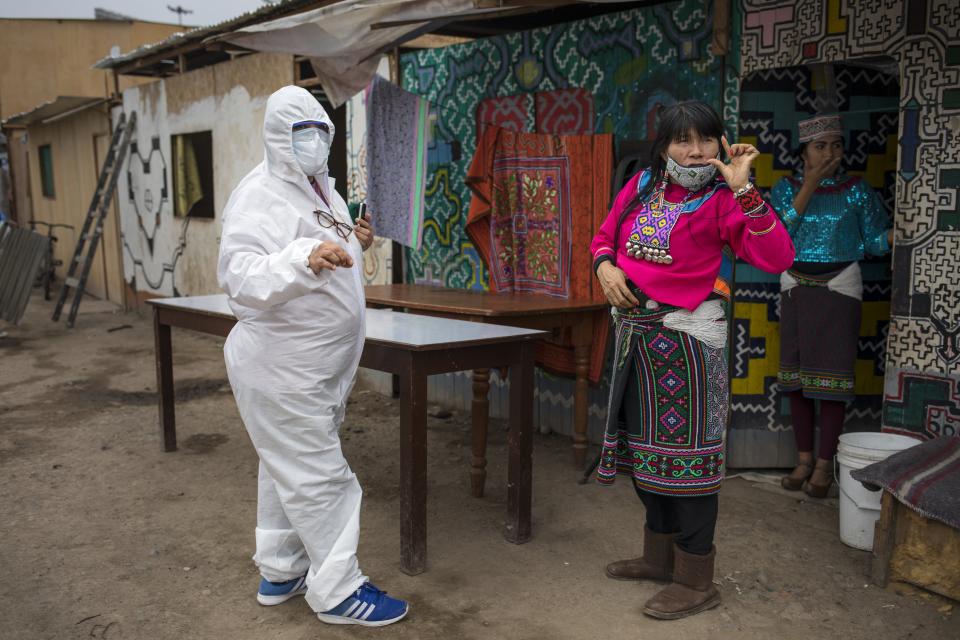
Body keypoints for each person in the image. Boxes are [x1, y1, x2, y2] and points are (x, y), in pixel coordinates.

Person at [590, 101, 795, 620]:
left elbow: (778, 258)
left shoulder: (726, 201)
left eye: (706, 140)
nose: (697, 151)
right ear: (664, 146)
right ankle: (659, 558)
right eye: (684, 140)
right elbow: (603, 237)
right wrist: (605, 268)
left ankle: (696, 579)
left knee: (692, 466)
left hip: (688, 345)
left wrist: (745, 188)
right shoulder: (640, 187)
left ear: (721, 146)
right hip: (635, 340)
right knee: (644, 453)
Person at [217, 85, 408, 627]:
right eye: (303, 133)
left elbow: (329, 251)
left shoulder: (321, 189)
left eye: (322, 131)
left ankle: (281, 570)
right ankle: (339, 591)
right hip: (283, 368)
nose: (315, 142)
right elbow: (241, 276)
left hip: (314, 368)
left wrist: (355, 239)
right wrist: (304, 258)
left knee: (285, 470)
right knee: (322, 479)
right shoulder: (257, 196)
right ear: (279, 136)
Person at [770, 114, 892, 498]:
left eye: (835, 145)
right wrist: (810, 183)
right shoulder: (784, 188)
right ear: (803, 151)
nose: (829, 153)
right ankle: (803, 459)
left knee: (833, 383)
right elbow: (776, 236)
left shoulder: (857, 190)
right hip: (795, 288)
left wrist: (907, 227)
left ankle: (824, 466)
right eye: (820, 146)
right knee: (796, 382)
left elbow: (874, 241)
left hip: (841, 289)